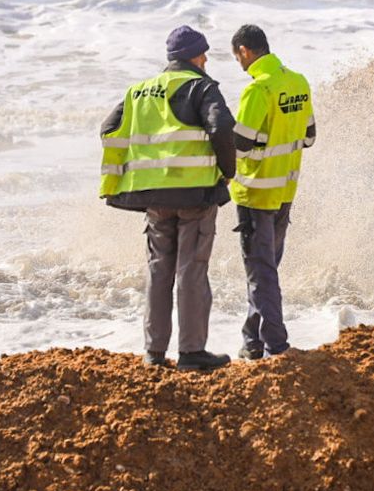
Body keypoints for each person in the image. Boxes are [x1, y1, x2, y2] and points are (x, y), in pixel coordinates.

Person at [100, 25, 235, 371]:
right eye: (203, 54)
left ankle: (154, 352)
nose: (206, 61)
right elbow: (221, 127)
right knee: (192, 270)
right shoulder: (201, 87)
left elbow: (108, 129)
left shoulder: (139, 91)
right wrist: (228, 171)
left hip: (153, 196)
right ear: (194, 56)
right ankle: (191, 352)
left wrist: (124, 175)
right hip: (195, 194)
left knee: (159, 270)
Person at [228, 23, 316, 359]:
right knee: (265, 269)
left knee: (260, 272)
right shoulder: (298, 82)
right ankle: (252, 341)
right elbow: (309, 137)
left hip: (255, 193)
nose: (239, 63)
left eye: (237, 57)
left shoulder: (257, 90)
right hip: (285, 191)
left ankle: (276, 345)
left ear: (245, 51)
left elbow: (240, 144)